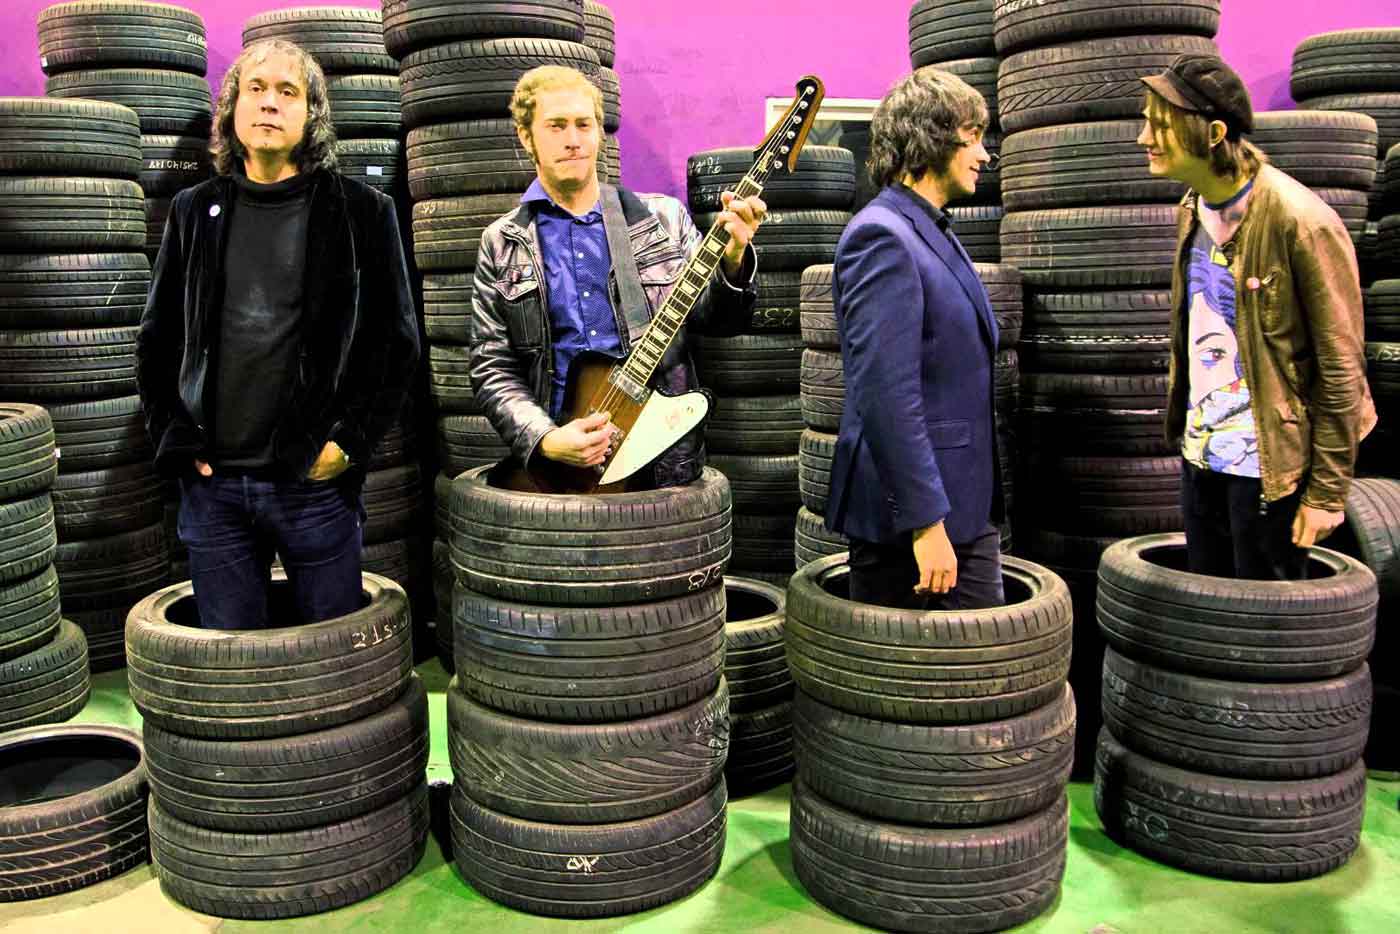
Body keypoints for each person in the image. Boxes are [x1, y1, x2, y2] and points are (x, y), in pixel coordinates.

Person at [136, 39, 420, 629]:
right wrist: (176, 438)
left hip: (312, 485)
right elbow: (157, 339)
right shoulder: (193, 211)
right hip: (214, 489)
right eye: (256, 89)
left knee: (333, 653)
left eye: (288, 92)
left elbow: (394, 346)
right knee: (233, 661)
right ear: (233, 108)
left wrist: (348, 445)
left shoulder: (362, 211)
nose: (269, 103)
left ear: (312, 114)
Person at [469, 65, 765, 488]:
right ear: (526, 136)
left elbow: (719, 321)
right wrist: (546, 439)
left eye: (583, 124)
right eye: (556, 126)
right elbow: (491, 366)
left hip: (662, 461)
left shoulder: (662, 218)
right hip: (559, 468)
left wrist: (733, 258)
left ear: (598, 132)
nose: (573, 139)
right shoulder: (502, 242)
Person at [1139, 54, 1376, 579]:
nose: (1144, 139)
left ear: (1213, 133)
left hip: (1269, 470)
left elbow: (1342, 367)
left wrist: (1327, 494)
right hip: (1201, 458)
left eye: (1160, 126)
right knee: (1209, 603)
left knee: (1266, 617)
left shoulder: (1302, 222)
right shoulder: (1192, 210)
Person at [825, 68, 1004, 610]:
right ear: (931, 139)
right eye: (973, 137)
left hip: (958, 508)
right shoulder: (882, 237)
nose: (985, 154)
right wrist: (926, 523)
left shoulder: (929, 228)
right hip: (914, 525)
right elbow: (886, 393)